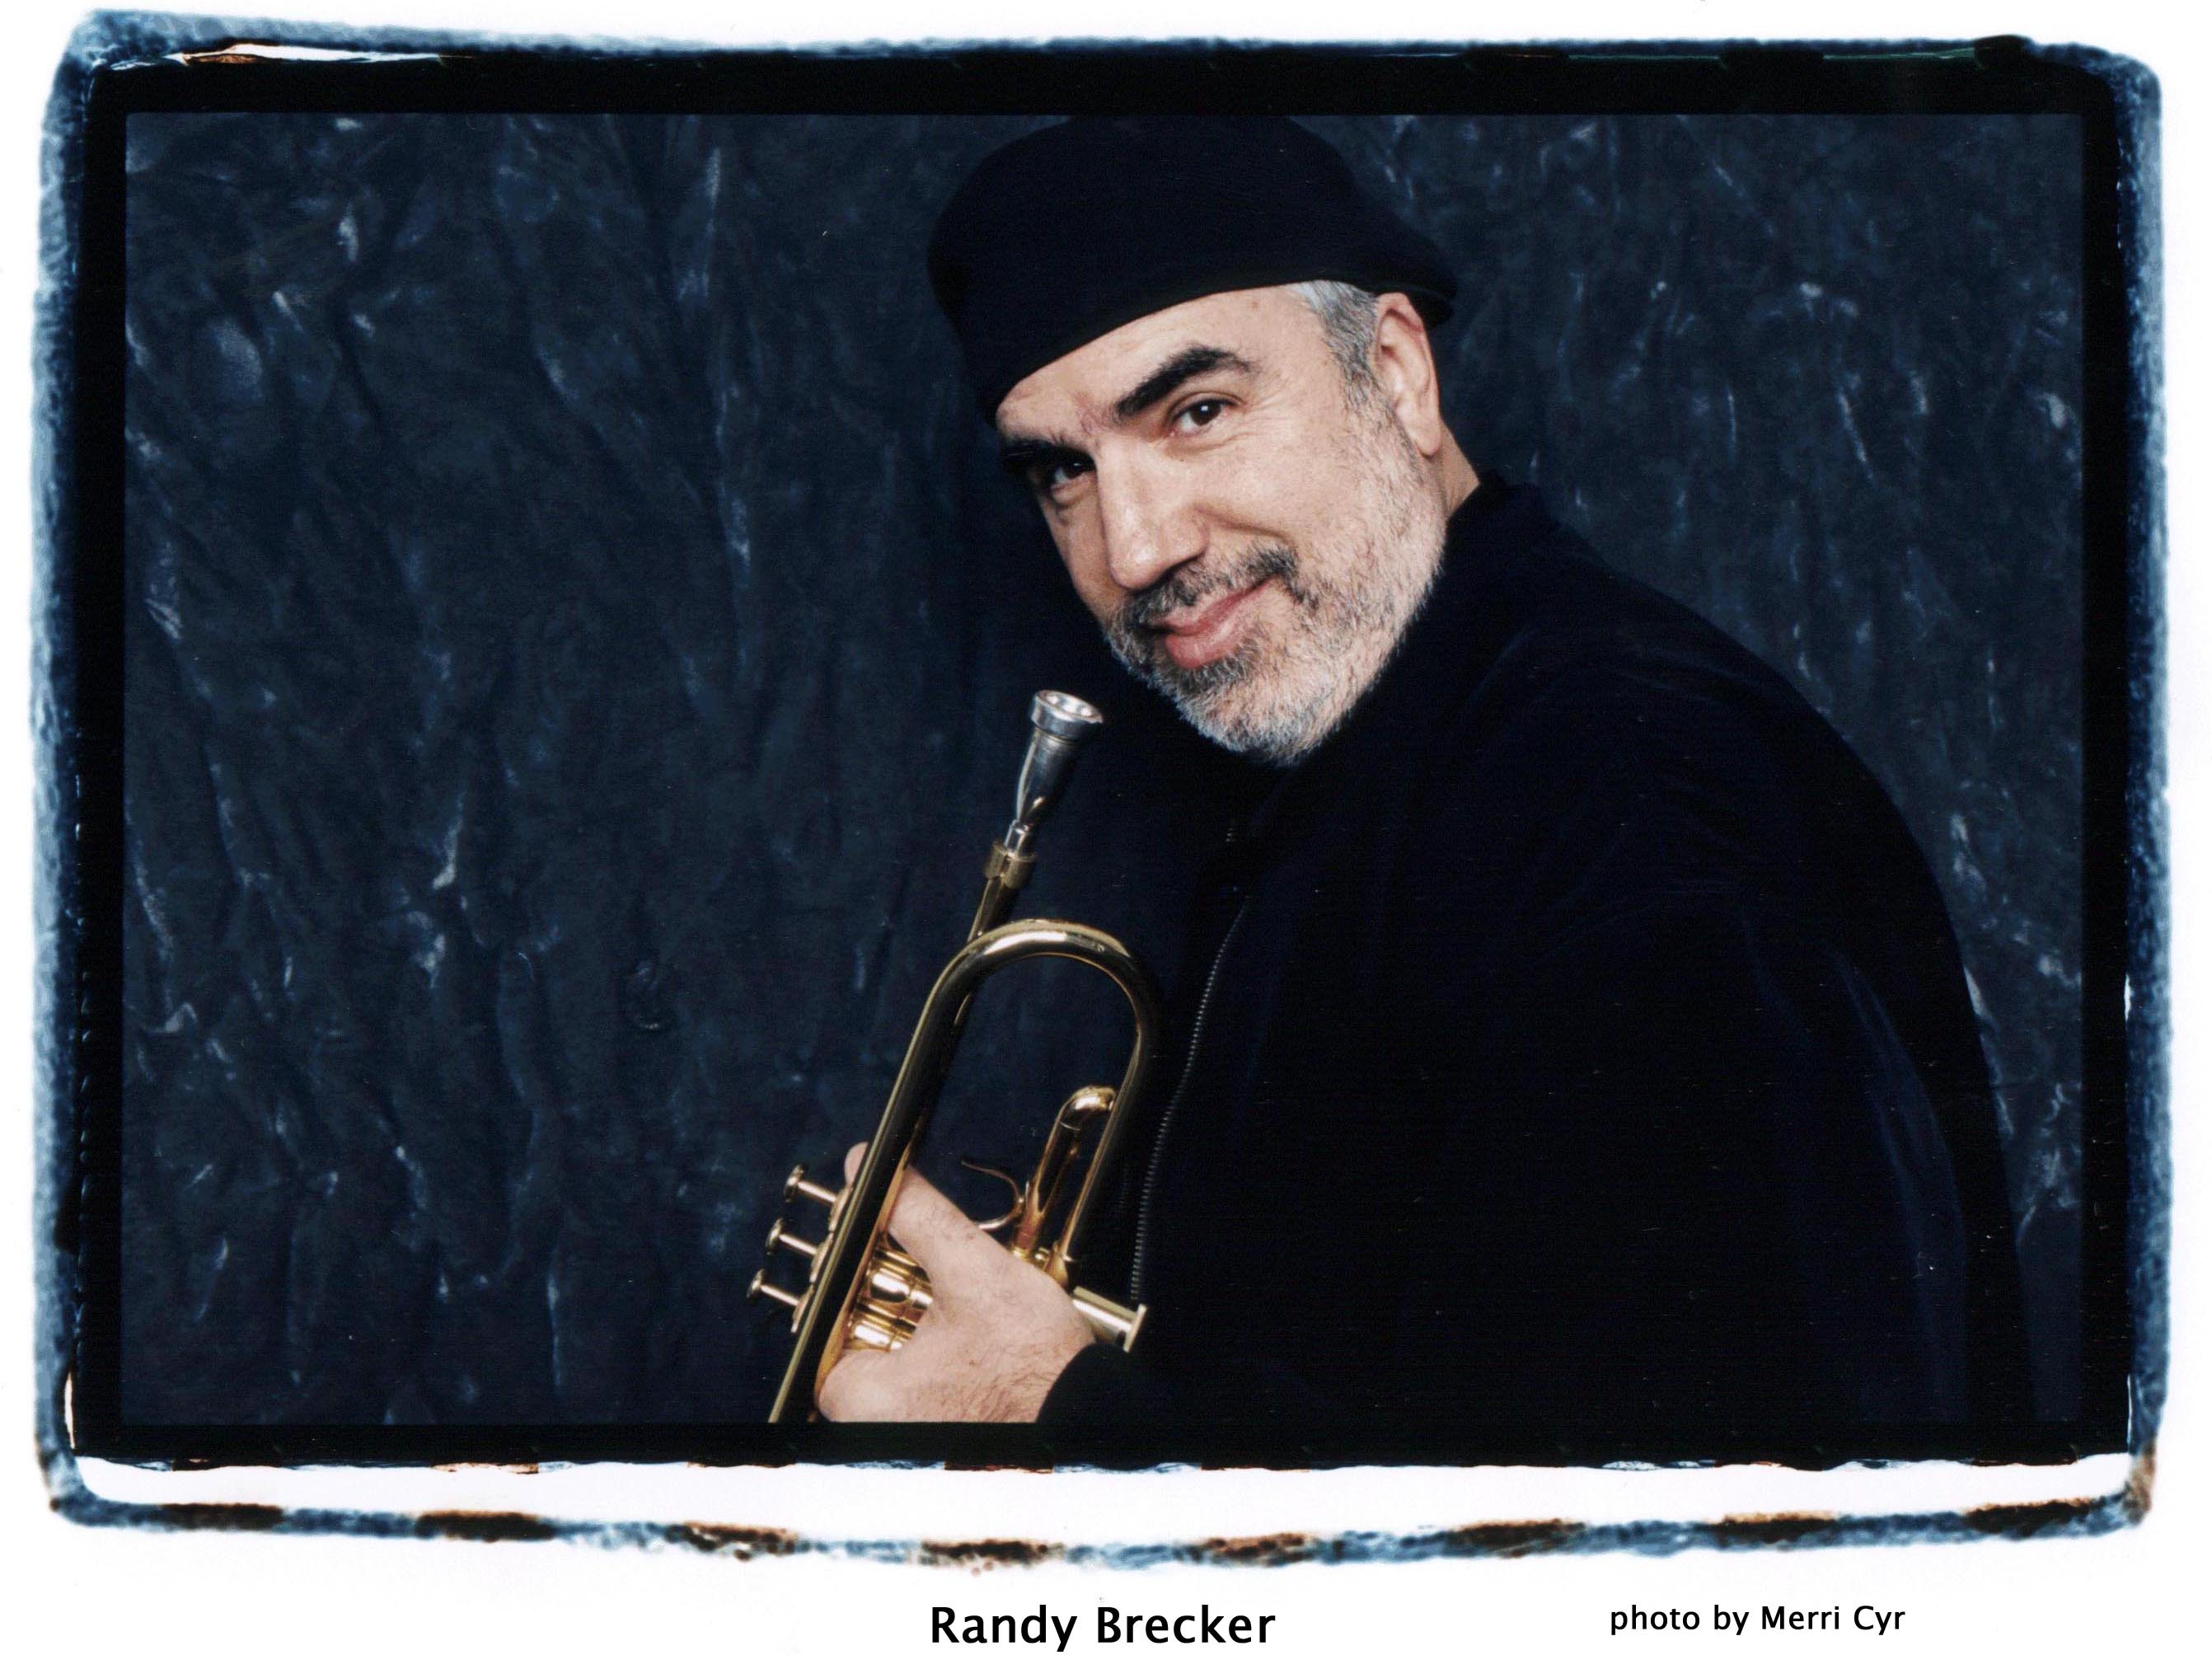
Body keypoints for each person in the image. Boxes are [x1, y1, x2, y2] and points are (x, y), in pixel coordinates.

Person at [812, 116, 2032, 1454]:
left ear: (1396, 373)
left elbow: (1711, 1528)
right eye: (1064, 471)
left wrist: (1049, 1411)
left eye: (1198, 413)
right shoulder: (1373, 754)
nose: (1137, 546)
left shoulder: (1629, 813)